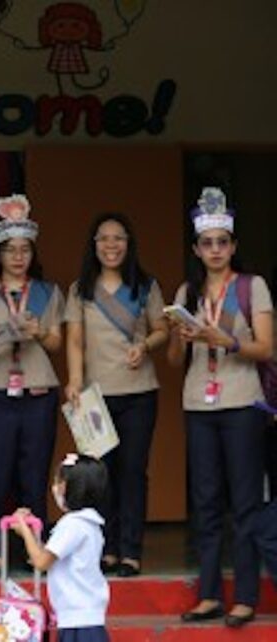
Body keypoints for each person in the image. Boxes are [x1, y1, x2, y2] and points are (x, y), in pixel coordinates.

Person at [166, 187, 273, 629]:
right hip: (198, 403)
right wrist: (180, 335)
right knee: (205, 502)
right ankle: (208, 594)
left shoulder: (252, 287)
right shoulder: (187, 291)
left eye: (222, 242)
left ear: (233, 246)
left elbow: (266, 348)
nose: (215, 250)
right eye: (206, 243)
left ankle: (245, 597)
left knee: (245, 502)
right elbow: (174, 361)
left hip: (242, 403)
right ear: (196, 247)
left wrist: (225, 340)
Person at [0, 194, 64, 575]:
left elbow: (57, 343)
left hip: (38, 389)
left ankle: (33, 546)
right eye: (10, 250)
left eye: (24, 250)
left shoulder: (49, 293)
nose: (18, 257)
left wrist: (36, 332)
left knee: (35, 471)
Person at [64, 212, 168, 577]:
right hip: (94, 398)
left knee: (133, 472)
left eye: (118, 238)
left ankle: (130, 551)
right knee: (98, 476)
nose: (111, 245)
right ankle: (104, 549)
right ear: (94, 245)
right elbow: (74, 340)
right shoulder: (80, 289)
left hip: (139, 393)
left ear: (129, 243)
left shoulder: (146, 285)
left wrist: (145, 344)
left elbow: (162, 329)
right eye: (104, 239)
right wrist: (74, 381)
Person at [10, 454, 110, 642]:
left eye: (58, 481)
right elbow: (46, 556)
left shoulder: (72, 524)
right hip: (84, 618)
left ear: (67, 487)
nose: (55, 487)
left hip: (78, 622)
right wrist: (30, 532)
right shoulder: (89, 523)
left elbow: (40, 562)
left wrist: (24, 531)